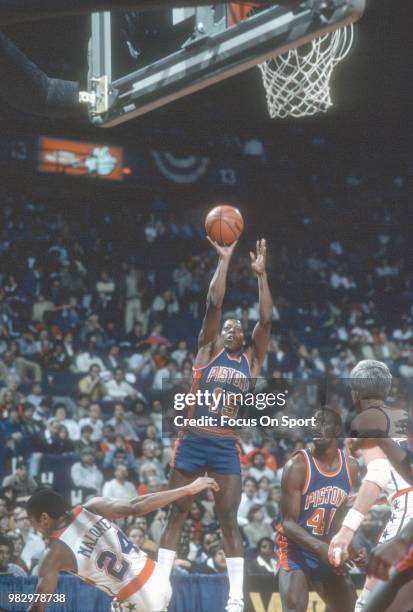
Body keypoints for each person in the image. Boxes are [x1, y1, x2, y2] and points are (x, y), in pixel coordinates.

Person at [158, 238, 273, 612]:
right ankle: (159, 589)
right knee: (178, 512)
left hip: (225, 444)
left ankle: (236, 597)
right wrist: (223, 261)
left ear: (245, 338)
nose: (232, 329)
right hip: (192, 439)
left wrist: (261, 276)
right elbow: (213, 303)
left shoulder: (252, 362)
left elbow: (267, 319)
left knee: (228, 519)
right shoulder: (206, 351)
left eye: (238, 328)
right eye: (228, 326)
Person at [26, 478, 219, 612]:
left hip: (137, 599)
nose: (34, 527)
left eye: (32, 522)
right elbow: (136, 506)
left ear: (44, 518)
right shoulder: (92, 506)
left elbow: (39, 605)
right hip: (158, 577)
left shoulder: (52, 554)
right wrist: (187, 489)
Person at [328, 359, 413, 611]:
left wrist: (346, 530)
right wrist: (375, 498)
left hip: (407, 512)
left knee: (369, 602)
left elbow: (378, 473)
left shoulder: (366, 419)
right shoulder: (404, 415)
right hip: (404, 498)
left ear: (355, 392)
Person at [277, 409, 360, 612]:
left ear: (337, 429)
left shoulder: (351, 466)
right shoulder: (297, 465)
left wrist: (348, 545)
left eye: (323, 423)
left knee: (349, 606)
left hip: (326, 546)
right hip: (295, 547)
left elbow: (338, 513)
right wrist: (320, 548)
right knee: (295, 607)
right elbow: (287, 522)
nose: (316, 427)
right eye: (313, 423)